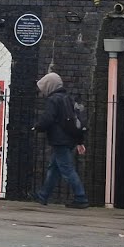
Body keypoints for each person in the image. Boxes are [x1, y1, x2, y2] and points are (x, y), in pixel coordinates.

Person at [32, 72, 89, 208]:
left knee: (67, 169)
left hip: (59, 140)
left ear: (49, 86)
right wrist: (79, 141)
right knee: (55, 168)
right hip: (69, 139)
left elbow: (48, 118)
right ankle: (43, 195)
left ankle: (81, 197)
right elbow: (75, 121)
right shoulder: (67, 99)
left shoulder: (53, 100)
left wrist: (37, 126)